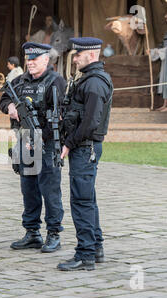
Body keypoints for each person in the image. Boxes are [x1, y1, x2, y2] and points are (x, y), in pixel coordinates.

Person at [0, 42, 66, 252]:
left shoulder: (56, 82)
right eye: (28, 59)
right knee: (28, 189)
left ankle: (53, 233)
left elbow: (61, 116)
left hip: (47, 144)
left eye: (34, 59)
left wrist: (41, 137)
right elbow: (3, 99)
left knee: (50, 190)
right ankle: (32, 232)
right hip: (25, 143)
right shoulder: (19, 81)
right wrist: (10, 106)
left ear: (46, 59)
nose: (30, 63)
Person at [57, 37, 114, 271]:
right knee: (87, 198)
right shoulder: (88, 80)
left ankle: (85, 254)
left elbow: (91, 122)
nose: (75, 58)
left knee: (81, 201)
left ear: (90, 55)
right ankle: (95, 247)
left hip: (84, 147)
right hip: (84, 147)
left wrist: (69, 143)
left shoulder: (94, 83)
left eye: (78, 55)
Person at [149, 13, 167, 112]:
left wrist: (158, 51)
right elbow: (163, 45)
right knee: (165, 81)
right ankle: (165, 104)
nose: (165, 17)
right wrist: (154, 51)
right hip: (166, 60)